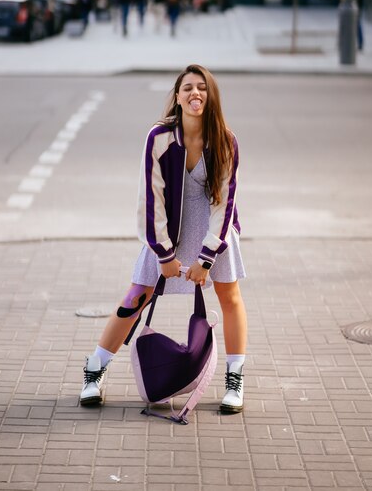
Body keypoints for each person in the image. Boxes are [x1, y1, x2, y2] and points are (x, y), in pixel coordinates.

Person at [80, 64, 247, 414]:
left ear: (211, 96)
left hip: (212, 231)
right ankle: (94, 370)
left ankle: (235, 377)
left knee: (229, 295)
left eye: (202, 88)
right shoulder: (159, 137)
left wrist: (206, 259)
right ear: (177, 95)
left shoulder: (225, 140)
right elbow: (150, 199)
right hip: (167, 230)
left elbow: (225, 204)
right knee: (136, 294)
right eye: (187, 88)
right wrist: (164, 254)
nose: (195, 93)